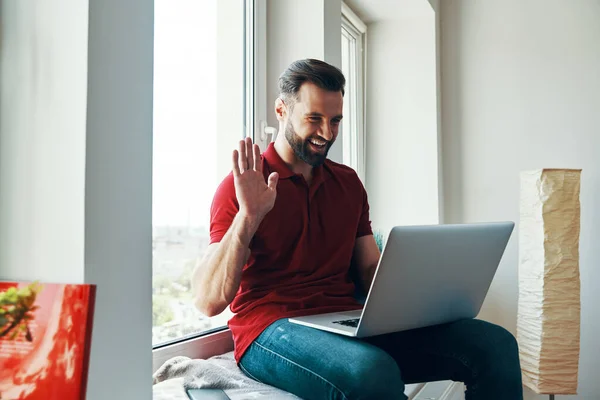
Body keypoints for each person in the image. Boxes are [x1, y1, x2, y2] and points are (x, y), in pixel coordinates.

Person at [192, 59, 523, 400]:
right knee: (371, 371)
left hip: (343, 319)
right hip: (271, 329)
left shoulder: (347, 183)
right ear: (281, 109)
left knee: (493, 345)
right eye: (314, 118)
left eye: (335, 120)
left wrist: (423, 293)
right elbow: (208, 301)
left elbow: (368, 268)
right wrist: (249, 216)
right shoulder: (243, 186)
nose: (326, 133)